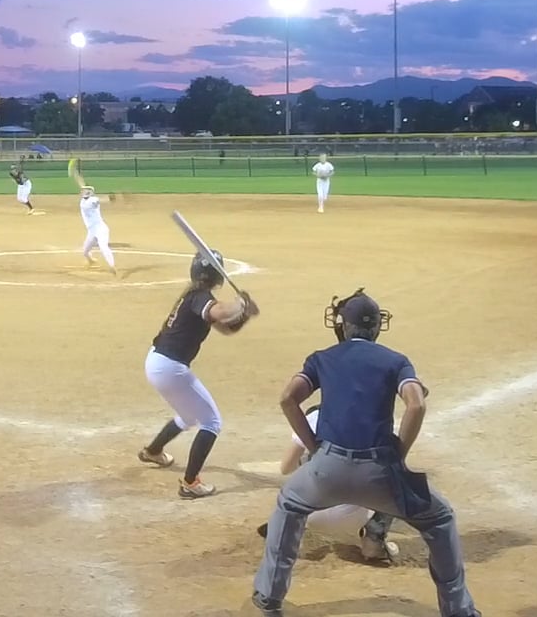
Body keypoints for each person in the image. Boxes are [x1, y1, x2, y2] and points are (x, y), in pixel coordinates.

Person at [251, 289, 480, 616]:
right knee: (440, 518)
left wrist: (314, 447)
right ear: (376, 327)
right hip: (379, 473)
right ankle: (458, 609)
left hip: (326, 470)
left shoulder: (322, 358)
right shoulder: (395, 360)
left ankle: (269, 596)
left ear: (343, 326)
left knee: (289, 505)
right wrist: (399, 453)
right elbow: (416, 404)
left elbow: (288, 398)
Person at [136, 254, 259, 499]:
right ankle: (190, 483)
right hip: (170, 367)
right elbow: (222, 312)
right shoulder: (200, 297)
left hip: (158, 363)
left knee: (188, 416)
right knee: (212, 422)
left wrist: (244, 313)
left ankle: (153, 451)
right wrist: (240, 303)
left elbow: (226, 327)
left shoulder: (193, 296)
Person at [254, 404, 399, 563]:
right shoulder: (374, 417)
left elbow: (285, 468)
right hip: (356, 516)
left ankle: (287, 532)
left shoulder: (314, 417)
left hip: (311, 514)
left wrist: (311, 461)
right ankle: (373, 542)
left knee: (304, 469)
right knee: (394, 475)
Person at [80, 184, 115, 272]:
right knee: (85, 251)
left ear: (90, 192)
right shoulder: (82, 202)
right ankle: (91, 261)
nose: (83, 192)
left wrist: (108, 199)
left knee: (103, 246)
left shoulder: (93, 200)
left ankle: (112, 266)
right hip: (91, 231)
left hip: (100, 229)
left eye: (85, 191)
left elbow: (98, 201)